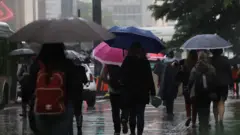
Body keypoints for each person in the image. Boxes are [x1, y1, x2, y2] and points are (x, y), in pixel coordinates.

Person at [28, 43, 83, 135]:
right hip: (63, 106)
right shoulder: (67, 64)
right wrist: (77, 108)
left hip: (41, 108)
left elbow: (30, 87)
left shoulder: (37, 65)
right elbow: (76, 88)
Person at [121, 42, 155, 135]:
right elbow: (149, 78)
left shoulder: (127, 61)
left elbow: (122, 76)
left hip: (130, 92)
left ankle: (132, 132)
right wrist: (152, 92)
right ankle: (139, 133)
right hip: (142, 92)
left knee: (132, 114)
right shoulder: (145, 62)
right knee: (140, 115)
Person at [188, 51, 216, 132]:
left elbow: (191, 80)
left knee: (199, 108)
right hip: (208, 91)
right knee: (207, 107)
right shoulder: (211, 67)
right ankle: (206, 123)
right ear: (206, 58)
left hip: (198, 91)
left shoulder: (195, 68)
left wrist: (189, 89)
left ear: (198, 58)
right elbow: (214, 78)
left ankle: (201, 124)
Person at [101, 64, 129, 135]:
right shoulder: (125, 61)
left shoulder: (108, 64)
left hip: (113, 91)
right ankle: (124, 119)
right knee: (125, 107)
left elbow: (103, 77)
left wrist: (109, 82)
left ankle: (117, 131)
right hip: (124, 90)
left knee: (115, 111)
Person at [210, 49, 233, 124]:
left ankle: (216, 120)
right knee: (221, 102)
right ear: (221, 52)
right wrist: (231, 83)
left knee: (214, 102)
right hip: (224, 84)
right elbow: (229, 72)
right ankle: (221, 119)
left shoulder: (210, 61)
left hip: (213, 84)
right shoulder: (225, 60)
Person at [179, 50, 198, 128]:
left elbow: (174, 64)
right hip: (195, 86)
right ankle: (193, 123)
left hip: (186, 85)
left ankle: (188, 117)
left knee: (187, 103)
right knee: (194, 105)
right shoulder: (197, 63)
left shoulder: (184, 62)